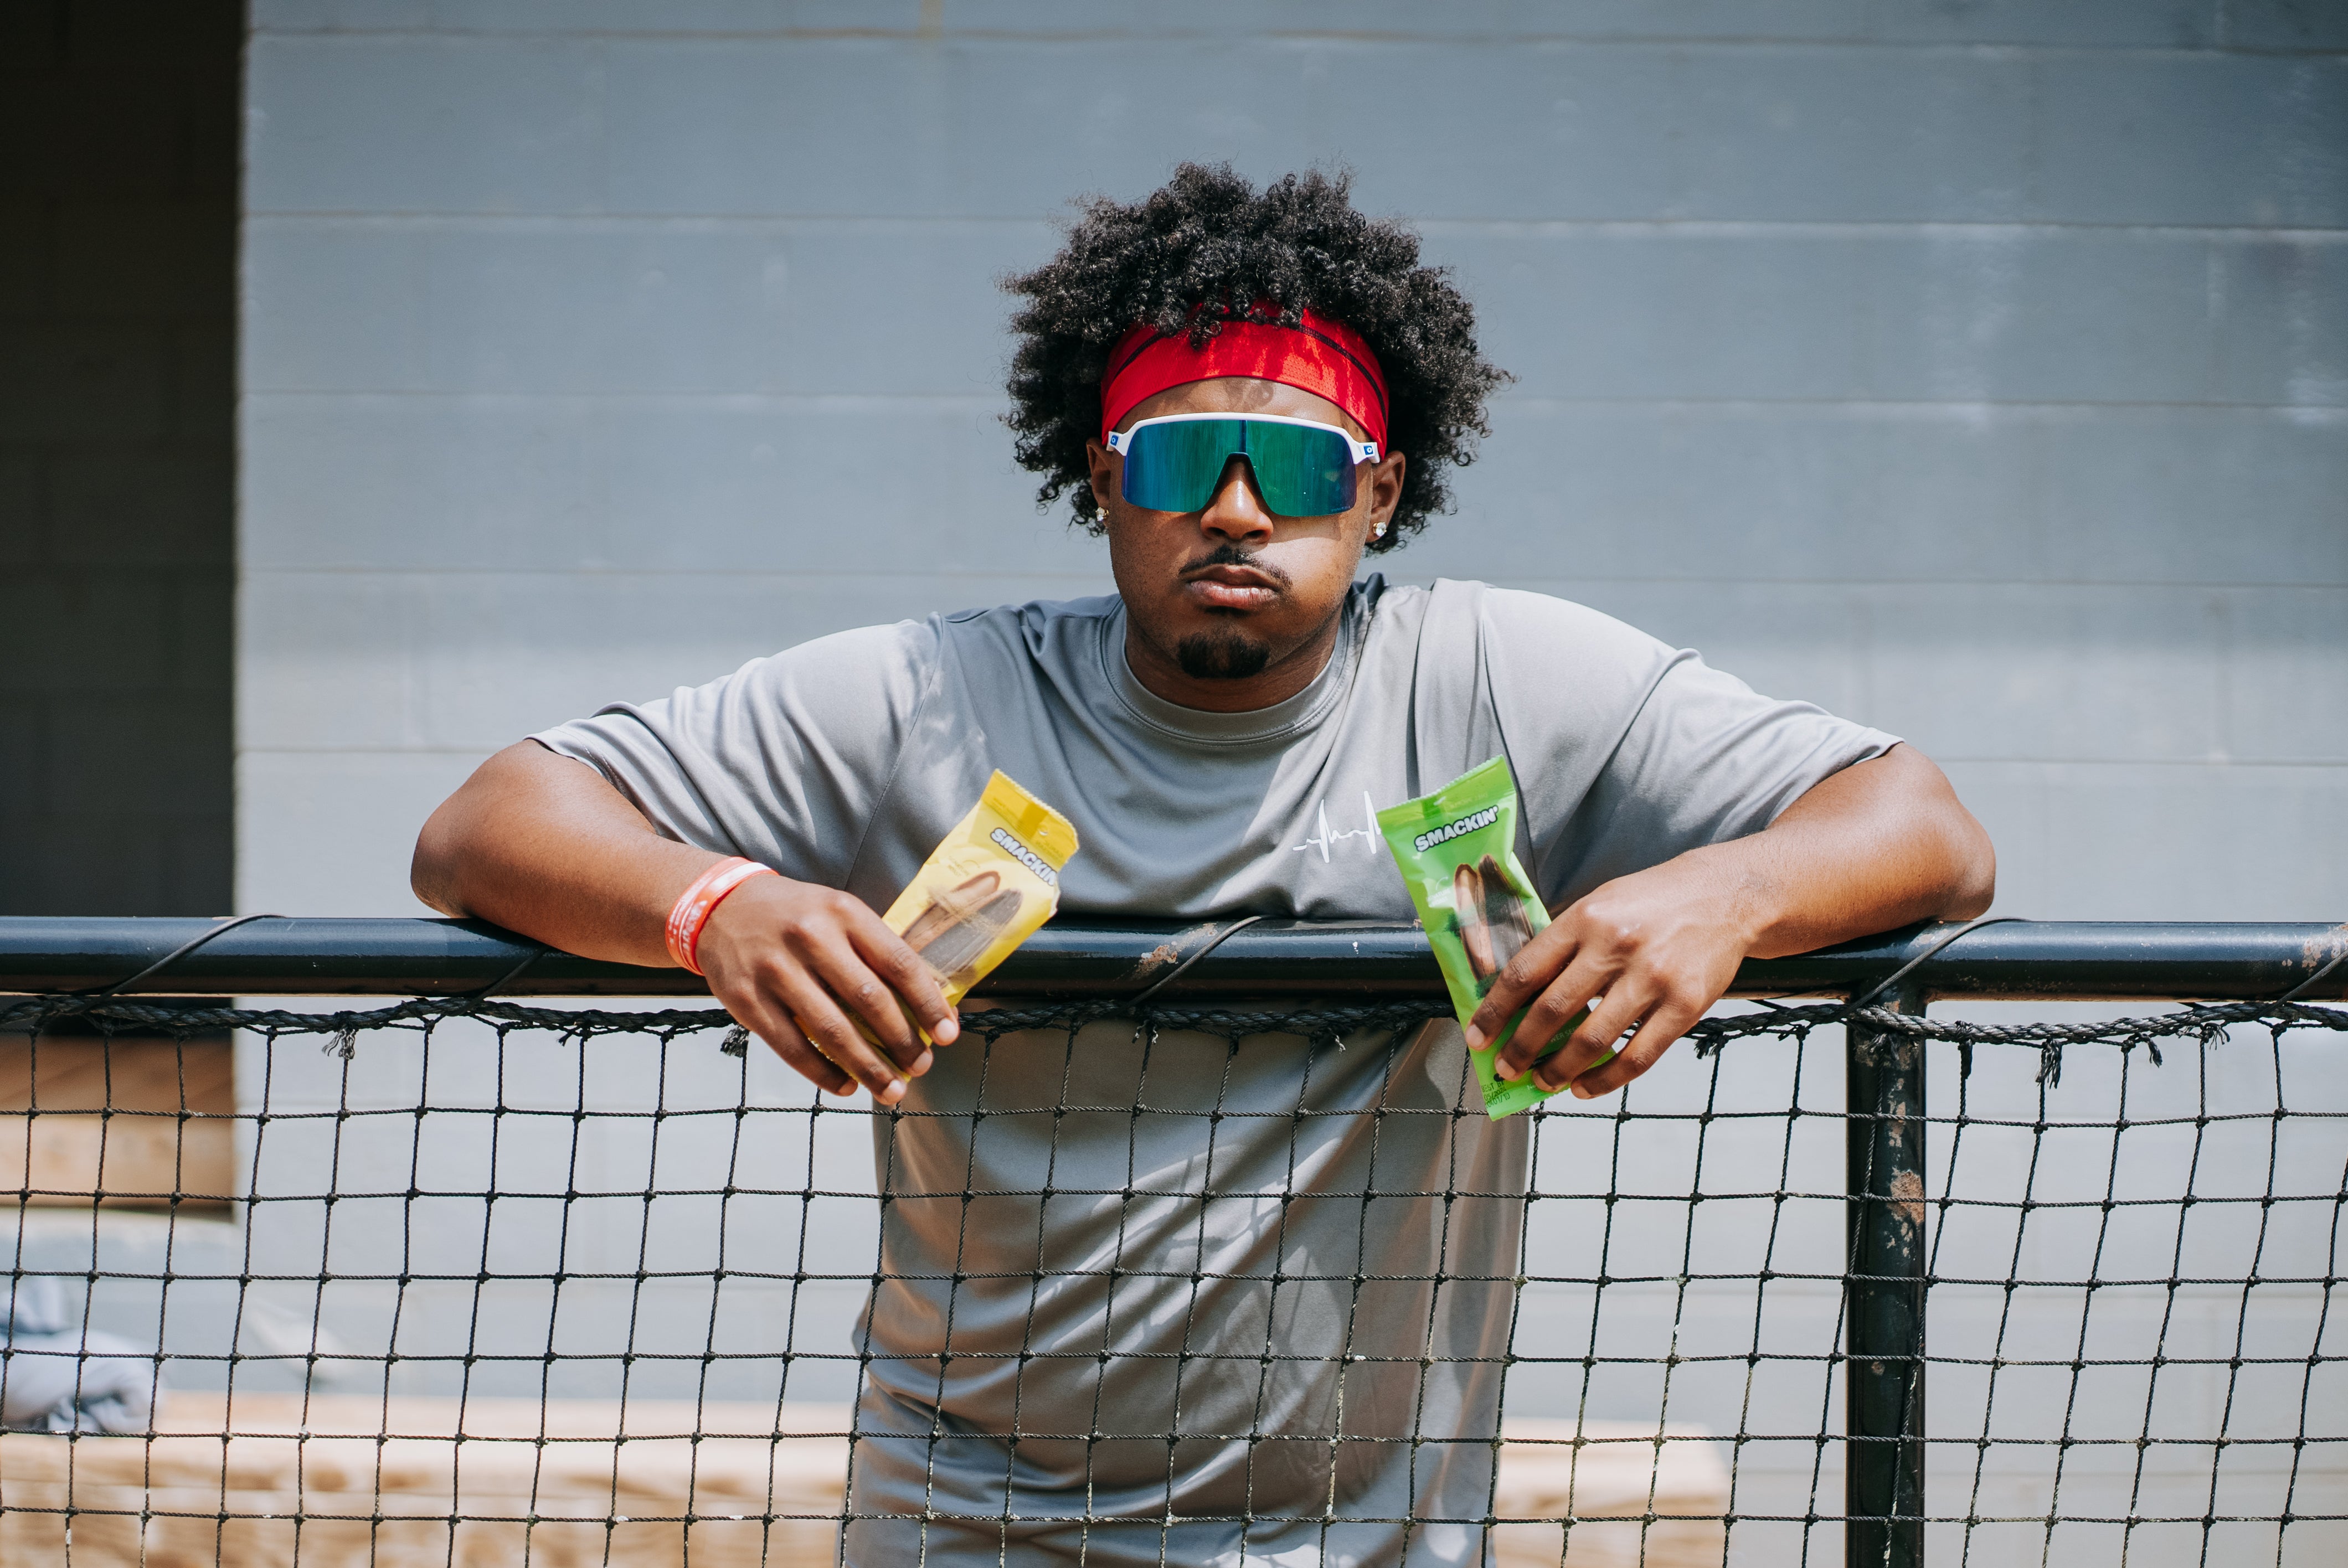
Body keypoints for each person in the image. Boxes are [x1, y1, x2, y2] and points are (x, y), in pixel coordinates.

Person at [411, 164, 1994, 1565]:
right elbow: (486, 825)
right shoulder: (935, 698)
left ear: (1379, 493)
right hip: (965, 1527)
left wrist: (1722, 894)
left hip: (1373, 1543)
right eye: (1179, 465)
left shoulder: (1497, 683)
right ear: (1103, 481)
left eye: (1298, 470)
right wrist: (712, 905)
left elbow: (1924, 828)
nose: (1236, 511)